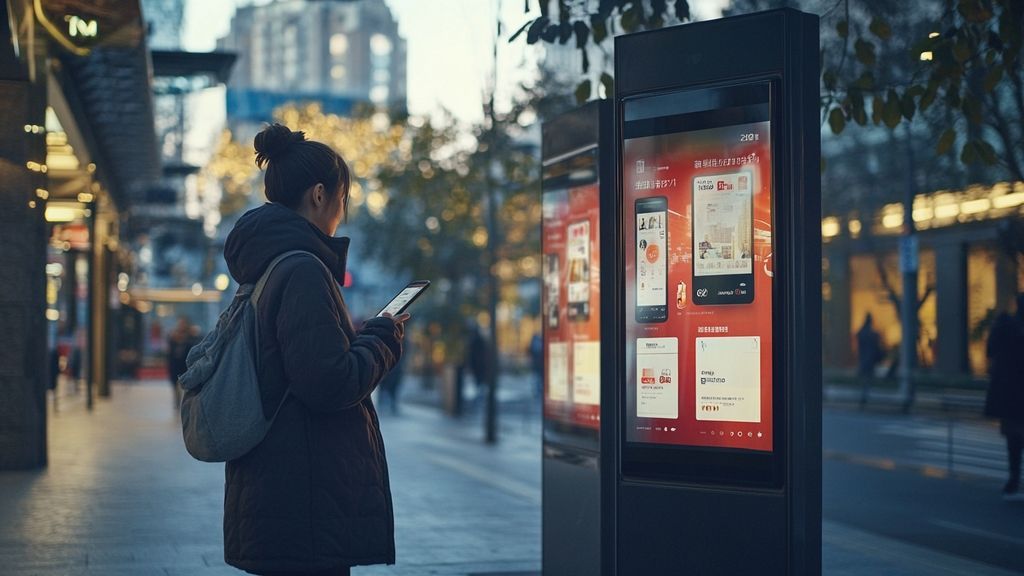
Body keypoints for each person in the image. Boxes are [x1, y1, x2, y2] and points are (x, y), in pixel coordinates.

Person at [220, 123, 408, 575]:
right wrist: (382, 337)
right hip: (304, 501)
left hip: (280, 492)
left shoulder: (269, 264)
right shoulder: (302, 270)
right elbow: (329, 384)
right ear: (320, 195)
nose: (342, 212)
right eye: (344, 199)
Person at [985, 298, 1024, 501]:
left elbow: (990, 351)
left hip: (1009, 393)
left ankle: (1013, 480)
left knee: (1013, 440)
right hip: (1016, 391)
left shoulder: (1005, 327)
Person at [167, 316, 200, 407]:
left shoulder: (191, 336)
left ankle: (187, 403)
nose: (181, 326)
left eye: (183, 323)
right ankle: (177, 402)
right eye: (180, 324)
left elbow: (195, 346)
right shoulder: (173, 336)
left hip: (186, 364)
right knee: (175, 385)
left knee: (188, 386)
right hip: (175, 365)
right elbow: (170, 351)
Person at [856, 313, 882, 408]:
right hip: (869, 360)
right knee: (867, 380)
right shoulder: (872, 334)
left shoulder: (862, 333)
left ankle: (864, 399)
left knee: (865, 380)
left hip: (864, 360)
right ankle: (864, 398)